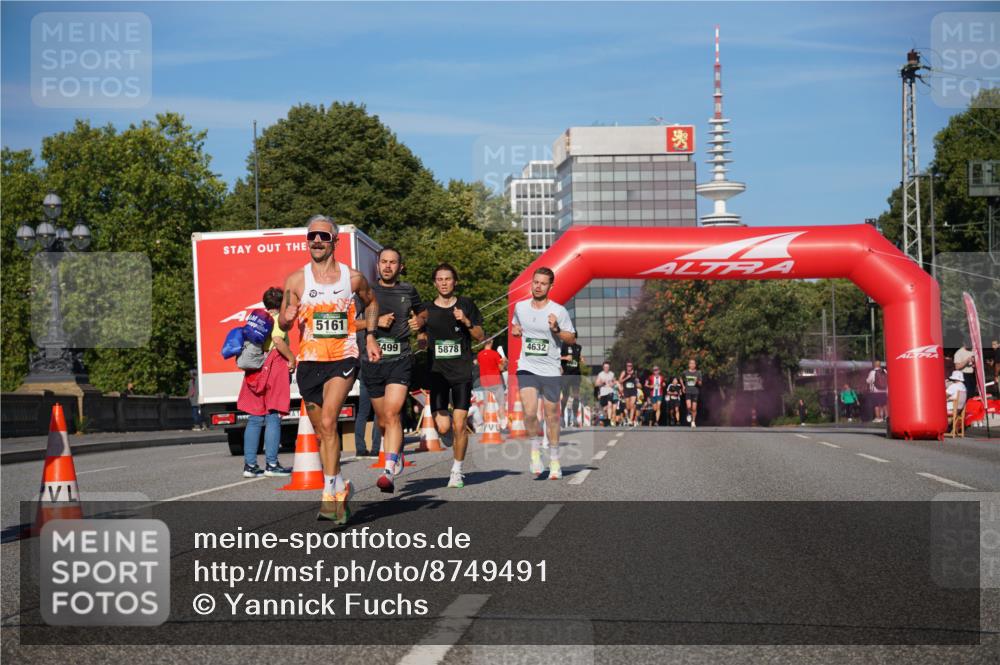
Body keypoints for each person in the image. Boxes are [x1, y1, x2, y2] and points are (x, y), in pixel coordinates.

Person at [279, 215, 381, 523]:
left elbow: (372, 303)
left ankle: (330, 492)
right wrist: (289, 315)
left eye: (323, 236)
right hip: (310, 362)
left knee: (328, 418)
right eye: (312, 237)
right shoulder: (296, 280)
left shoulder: (352, 278)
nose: (317, 241)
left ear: (334, 240)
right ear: (307, 242)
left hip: (343, 357)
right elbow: (283, 322)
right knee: (323, 434)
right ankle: (339, 485)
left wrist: (371, 335)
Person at [360, 247, 424, 493]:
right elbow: (349, 322)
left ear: (400, 267)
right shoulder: (367, 292)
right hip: (373, 363)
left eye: (393, 262)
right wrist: (374, 323)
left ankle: (388, 469)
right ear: (378, 266)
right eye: (384, 262)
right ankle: (394, 452)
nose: (388, 266)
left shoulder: (408, 290)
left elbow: (422, 313)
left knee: (393, 412)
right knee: (384, 421)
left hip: (401, 358)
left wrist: (421, 323)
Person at [421, 263, 484, 489]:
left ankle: (456, 471)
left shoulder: (466, 304)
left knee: (459, 425)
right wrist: (420, 339)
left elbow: (480, 336)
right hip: (437, 373)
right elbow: (420, 334)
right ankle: (446, 436)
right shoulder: (427, 310)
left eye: (448, 279)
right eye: (440, 279)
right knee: (445, 428)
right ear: (435, 283)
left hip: (461, 373)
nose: (444, 283)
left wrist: (466, 321)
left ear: (454, 281)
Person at [511, 267, 576, 479]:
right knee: (529, 413)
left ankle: (555, 460)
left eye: (543, 283)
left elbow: (571, 339)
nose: (538, 286)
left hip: (550, 369)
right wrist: (515, 330)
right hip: (527, 366)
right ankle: (535, 450)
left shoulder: (558, 311)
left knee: (551, 416)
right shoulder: (520, 307)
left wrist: (556, 329)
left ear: (550, 286)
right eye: (535, 282)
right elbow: (515, 327)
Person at [238, 287, 295, 478]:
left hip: (256, 367)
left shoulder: (256, 320)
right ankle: (271, 464)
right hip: (274, 365)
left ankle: (250, 465)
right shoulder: (277, 320)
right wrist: (292, 358)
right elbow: (278, 341)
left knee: (254, 418)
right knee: (273, 416)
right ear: (282, 304)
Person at [476, 336, 507, 428]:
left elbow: (480, 365)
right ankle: (503, 424)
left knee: (486, 403)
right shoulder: (495, 354)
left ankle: (483, 424)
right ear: (490, 342)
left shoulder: (479, 354)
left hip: (484, 381)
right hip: (495, 381)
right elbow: (501, 368)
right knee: (501, 403)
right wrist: (504, 361)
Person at [560, 339, 584, 428]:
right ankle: (562, 415)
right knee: (565, 397)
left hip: (576, 375)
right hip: (566, 375)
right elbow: (556, 357)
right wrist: (565, 358)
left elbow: (578, 356)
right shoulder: (563, 346)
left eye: (575, 337)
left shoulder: (578, 347)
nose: (574, 339)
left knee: (576, 396)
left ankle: (574, 417)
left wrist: (581, 358)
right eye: (572, 337)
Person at [683, 359, 703, 428]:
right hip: (688, 391)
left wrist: (697, 381)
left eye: (693, 363)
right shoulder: (685, 372)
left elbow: (700, 384)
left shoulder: (698, 373)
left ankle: (693, 421)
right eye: (691, 363)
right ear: (689, 365)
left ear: (695, 365)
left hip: (695, 392)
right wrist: (683, 386)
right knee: (688, 406)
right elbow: (680, 378)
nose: (692, 365)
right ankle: (688, 413)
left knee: (694, 408)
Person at [619, 361, 640, 427]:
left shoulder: (635, 372)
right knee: (628, 406)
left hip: (633, 391)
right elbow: (620, 381)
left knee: (632, 405)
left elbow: (637, 380)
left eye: (630, 366)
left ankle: (630, 421)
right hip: (626, 391)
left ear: (632, 366)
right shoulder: (624, 372)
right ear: (626, 366)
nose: (629, 367)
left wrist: (638, 383)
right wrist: (627, 378)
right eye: (628, 366)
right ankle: (627, 417)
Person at [595, 361, 616, 426]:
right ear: (603, 367)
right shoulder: (600, 374)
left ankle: (609, 420)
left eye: (607, 367)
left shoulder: (612, 374)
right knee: (605, 408)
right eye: (605, 367)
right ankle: (606, 419)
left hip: (610, 392)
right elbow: (596, 384)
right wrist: (602, 383)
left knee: (610, 404)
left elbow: (614, 382)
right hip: (603, 393)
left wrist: (612, 384)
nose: (606, 368)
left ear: (609, 367)